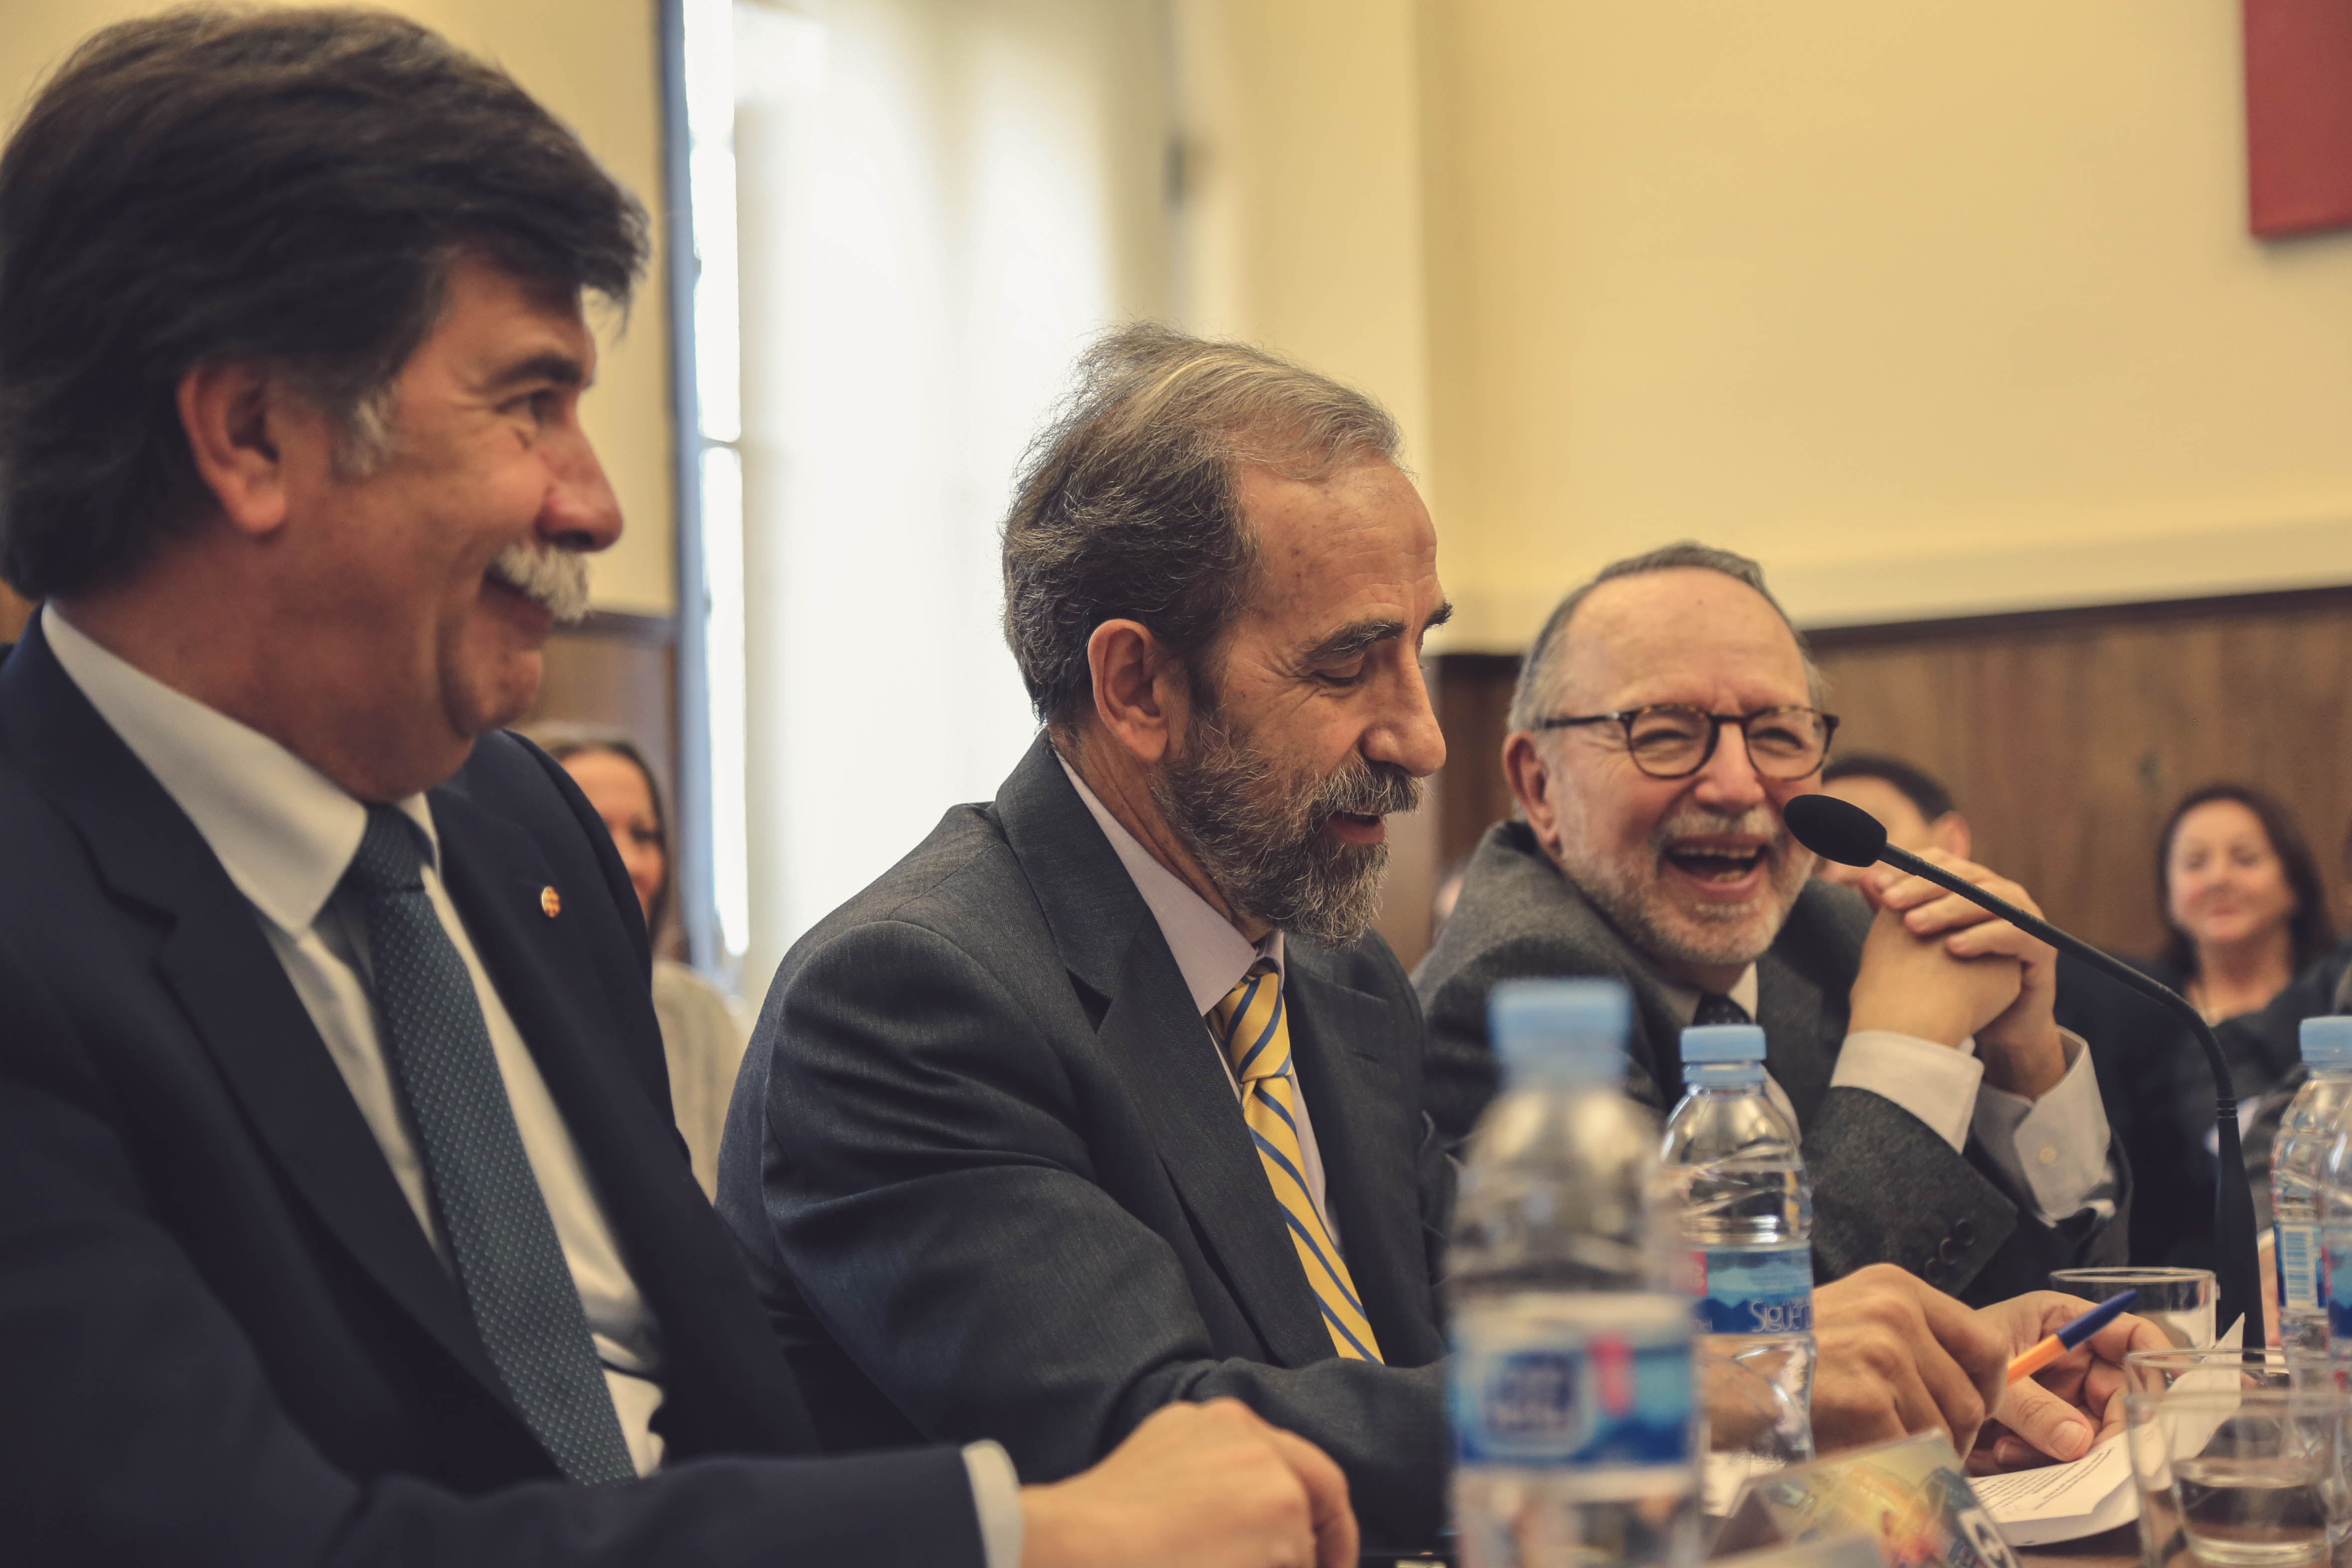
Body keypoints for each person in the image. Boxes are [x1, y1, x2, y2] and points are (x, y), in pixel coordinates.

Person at [0, 12, 1359, 1567]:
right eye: (528, 402)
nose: (597, 503)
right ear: (251, 434)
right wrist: (1010, 1532)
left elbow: (713, 1418)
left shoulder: (519, 835)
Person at [1414, 543, 2126, 1307]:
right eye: (1664, 732)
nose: (1737, 784)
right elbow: (1728, 1333)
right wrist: (1904, 1056)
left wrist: (2025, 1063)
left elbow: (2064, 1311)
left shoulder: (1836, 933)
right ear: (1540, 785)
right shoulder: (1516, 985)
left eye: (1780, 735)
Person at [534, 724, 746, 1199]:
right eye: (593, 831)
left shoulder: (699, 1014)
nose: (630, 861)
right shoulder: (494, 1013)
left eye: (644, 834)